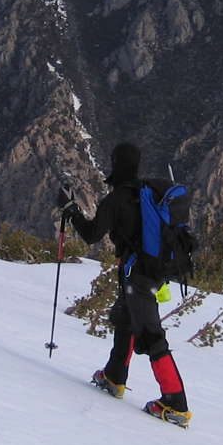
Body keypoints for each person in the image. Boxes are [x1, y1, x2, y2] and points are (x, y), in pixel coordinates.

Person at [62, 141, 193, 427]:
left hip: (139, 276)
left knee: (151, 335)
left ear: (115, 163)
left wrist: (71, 211)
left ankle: (176, 403)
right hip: (151, 272)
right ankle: (114, 377)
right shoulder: (145, 193)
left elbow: (92, 234)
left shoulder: (117, 199)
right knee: (125, 318)